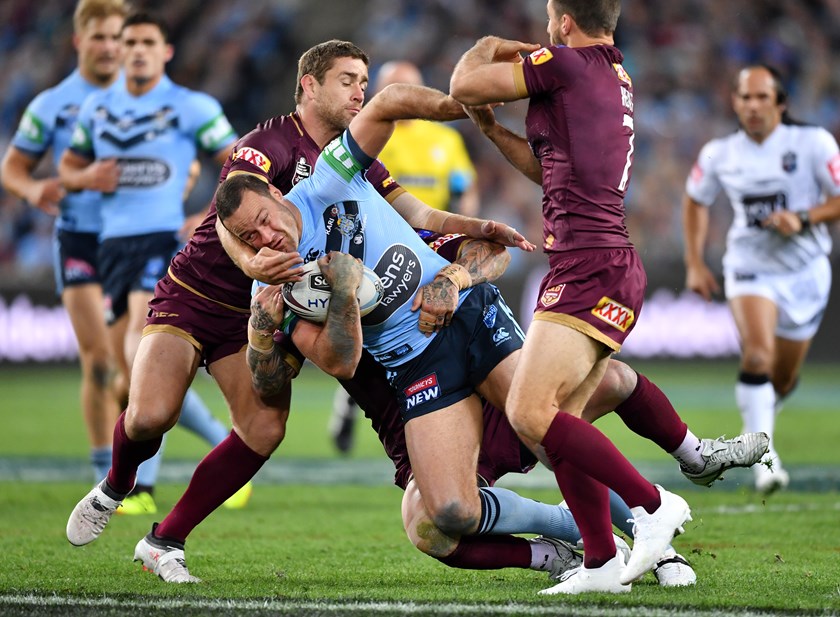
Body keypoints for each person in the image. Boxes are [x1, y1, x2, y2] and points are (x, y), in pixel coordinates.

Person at [213, 77, 698, 597]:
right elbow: (340, 363)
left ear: (275, 192)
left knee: (554, 419)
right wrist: (338, 301)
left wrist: (462, 106)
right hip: (415, 369)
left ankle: (655, 521)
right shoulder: (275, 291)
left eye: (263, 220)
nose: (266, 237)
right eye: (249, 237)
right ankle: (571, 538)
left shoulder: (331, 180)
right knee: (444, 515)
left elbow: (394, 109)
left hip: (465, 321)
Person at [63, 40, 524, 582]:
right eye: (348, 80)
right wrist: (255, 264)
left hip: (267, 311)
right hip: (199, 295)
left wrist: (475, 229)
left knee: (263, 429)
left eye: (363, 81)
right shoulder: (269, 143)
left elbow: (416, 211)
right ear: (309, 85)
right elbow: (225, 217)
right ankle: (117, 484)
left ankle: (165, 541)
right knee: (149, 415)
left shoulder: (350, 158)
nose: (360, 92)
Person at [447, 0, 709, 593]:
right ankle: (599, 561)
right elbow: (551, 170)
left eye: (548, 16)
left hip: (590, 267)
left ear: (563, 19)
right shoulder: (609, 73)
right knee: (556, 423)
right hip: (599, 262)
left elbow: (464, 81)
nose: (544, 27)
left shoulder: (565, 63)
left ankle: (652, 505)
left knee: (526, 412)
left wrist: (493, 42)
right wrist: (491, 129)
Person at [59, 12, 243, 524]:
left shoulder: (192, 107)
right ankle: (217, 439)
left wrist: (207, 217)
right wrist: (86, 175)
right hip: (110, 246)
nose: (136, 50)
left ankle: (141, 483)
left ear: (166, 52)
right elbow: (69, 169)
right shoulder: (97, 108)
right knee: (124, 376)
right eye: (128, 42)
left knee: (138, 357)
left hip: (162, 245)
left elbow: (241, 167)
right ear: (116, 49)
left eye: (147, 42)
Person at [682, 65, 840, 494]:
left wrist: (804, 217)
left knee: (782, 379)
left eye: (761, 98)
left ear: (780, 103)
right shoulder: (720, 153)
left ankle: (759, 421)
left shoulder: (812, 144)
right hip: (750, 268)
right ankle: (764, 461)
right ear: (734, 102)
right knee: (756, 356)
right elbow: (696, 201)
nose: (752, 106)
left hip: (805, 272)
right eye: (744, 98)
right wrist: (695, 261)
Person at [0, 0, 127, 485]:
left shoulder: (146, 99)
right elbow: (13, 167)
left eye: (118, 36)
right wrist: (34, 188)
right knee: (99, 359)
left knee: (137, 359)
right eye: (100, 36)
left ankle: (182, 445)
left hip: (134, 241)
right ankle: (105, 471)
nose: (110, 46)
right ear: (79, 41)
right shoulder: (51, 104)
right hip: (79, 237)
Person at [329, 59, 480, 454]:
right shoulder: (368, 137)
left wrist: (464, 225)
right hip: (380, 247)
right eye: (395, 88)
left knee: (431, 323)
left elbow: (465, 187)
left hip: (429, 244)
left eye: (411, 87)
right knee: (376, 327)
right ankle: (358, 403)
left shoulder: (445, 141)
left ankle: (444, 405)